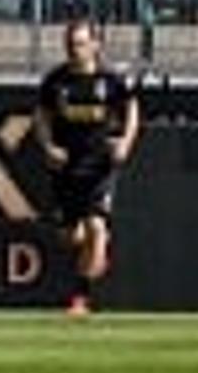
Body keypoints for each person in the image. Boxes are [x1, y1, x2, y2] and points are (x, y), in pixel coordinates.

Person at [34, 18, 139, 316]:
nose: (73, 50)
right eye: (69, 44)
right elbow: (40, 116)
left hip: (100, 165)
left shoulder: (110, 80)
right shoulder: (56, 80)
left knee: (95, 226)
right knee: (71, 237)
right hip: (68, 166)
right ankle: (97, 249)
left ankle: (81, 297)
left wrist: (125, 143)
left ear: (95, 45)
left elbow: (131, 109)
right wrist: (48, 146)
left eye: (79, 43)